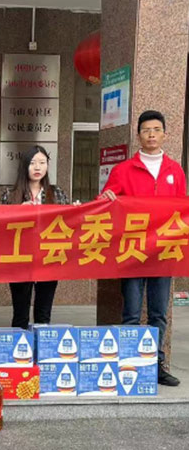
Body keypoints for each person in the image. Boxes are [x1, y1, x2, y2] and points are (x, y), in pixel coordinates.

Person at [99, 110, 186, 387]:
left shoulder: (175, 170)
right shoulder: (123, 170)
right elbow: (105, 203)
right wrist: (106, 198)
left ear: (165, 135)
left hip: (163, 252)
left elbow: (181, 209)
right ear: (138, 135)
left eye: (156, 130)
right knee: (132, 313)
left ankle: (156, 365)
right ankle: (128, 363)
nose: (151, 134)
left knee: (158, 313)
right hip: (133, 252)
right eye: (146, 130)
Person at [2, 145, 75, 330]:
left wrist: (76, 211)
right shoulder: (11, 195)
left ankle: (42, 345)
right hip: (20, 258)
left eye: (42, 163)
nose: (37, 167)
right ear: (24, 166)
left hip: (48, 257)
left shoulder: (56, 193)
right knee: (20, 312)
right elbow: (1, 227)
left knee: (43, 312)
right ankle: (20, 345)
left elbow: (67, 223)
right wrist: (18, 213)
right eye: (33, 163)